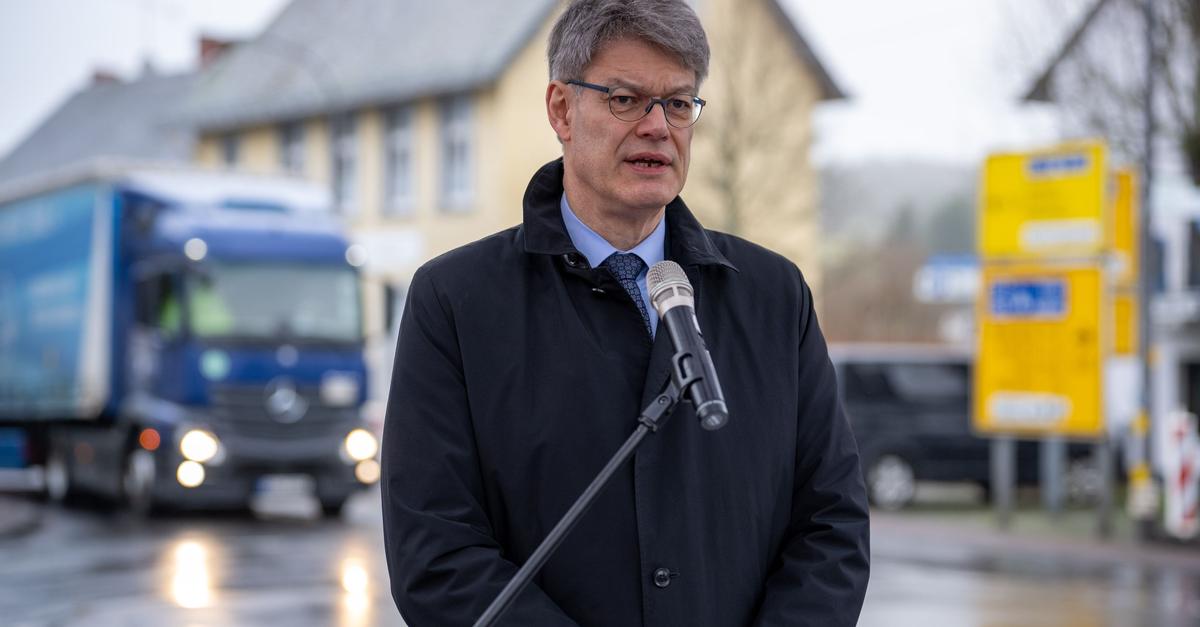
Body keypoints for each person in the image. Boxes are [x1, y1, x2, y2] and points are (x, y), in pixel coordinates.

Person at [381, 0, 870, 624]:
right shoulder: (454, 300)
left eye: (678, 102)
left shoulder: (774, 295)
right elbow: (436, 551)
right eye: (624, 99)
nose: (657, 127)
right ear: (561, 108)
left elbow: (832, 523)